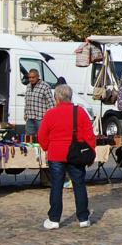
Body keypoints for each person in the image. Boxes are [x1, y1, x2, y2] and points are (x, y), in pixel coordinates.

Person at [38, 83, 95, 229]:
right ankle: (83, 218)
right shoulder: (80, 112)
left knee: (56, 186)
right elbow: (90, 135)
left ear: (57, 98)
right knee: (79, 185)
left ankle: (54, 219)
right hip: (76, 154)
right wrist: (90, 153)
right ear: (69, 97)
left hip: (56, 153)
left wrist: (46, 147)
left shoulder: (51, 114)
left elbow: (42, 135)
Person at [24, 69, 55, 140]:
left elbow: (51, 103)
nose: (31, 79)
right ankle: (30, 151)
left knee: (42, 137)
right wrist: (25, 113)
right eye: (29, 77)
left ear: (38, 76)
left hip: (41, 117)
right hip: (30, 117)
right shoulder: (28, 86)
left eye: (33, 77)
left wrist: (50, 117)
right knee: (29, 137)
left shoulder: (45, 86)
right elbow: (27, 101)